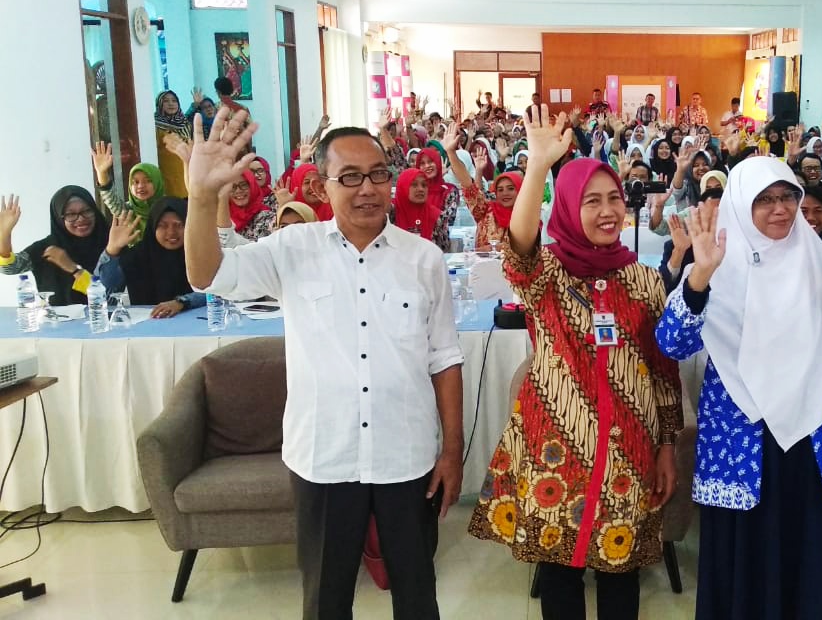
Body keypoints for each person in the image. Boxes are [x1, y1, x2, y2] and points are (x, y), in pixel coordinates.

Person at [185, 109, 465, 620]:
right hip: (324, 456)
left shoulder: (423, 259)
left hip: (406, 455)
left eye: (378, 174)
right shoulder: (292, 249)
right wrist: (202, 199)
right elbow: (208, 274)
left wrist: (453, 448)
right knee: (326, 598)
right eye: (350, 177)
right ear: (322, 184)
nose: (368, 189)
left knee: (417, 594)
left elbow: (444, 358)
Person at [468, 112, 681, 620]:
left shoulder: (644, 280)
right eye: (591, 201)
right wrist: (539, 164)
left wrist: (666, 445)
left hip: (631, 448)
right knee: (560, 573)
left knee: (620, 571)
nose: (608, 212)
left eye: (613, 199)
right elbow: (517, 248)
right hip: (556, 448)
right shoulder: (547, 276)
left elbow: (662, 370)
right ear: (566, 207)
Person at [655, 156, 822, 620]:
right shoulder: (716, 264)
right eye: (765, 200)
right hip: (742, 446)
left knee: (807, 562)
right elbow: (672, 343)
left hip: (811, 443)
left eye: (788, 196)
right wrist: (698, 277)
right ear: (740, 204)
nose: (780, 209)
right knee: (744, 571)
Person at [96, 199, 206, 319]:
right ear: (153, 227)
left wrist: (182, 302)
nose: (171, 232)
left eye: (179, 225)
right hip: (147, 327)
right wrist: (112, 250)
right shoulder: (139, 255)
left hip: (195, 325)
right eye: (162, 226)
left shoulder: (201, 254)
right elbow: (104, 290)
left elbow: (217, 292)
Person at [0, 188, 106, 305]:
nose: (81, 218)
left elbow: (108, 294)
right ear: (58, 218)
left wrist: (73, 268)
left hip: (100, 318)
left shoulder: (109, 244)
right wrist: (5, 233)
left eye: (87, 211)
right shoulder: (46, 248)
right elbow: (10, 268)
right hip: (55, 320)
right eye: (71, 214)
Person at [442, 125, 522, 253]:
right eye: (500, 190)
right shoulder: (486, 211)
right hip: (483, 270)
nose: (505, 193)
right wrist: (451, 153)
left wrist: (494, 249)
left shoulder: (527, 215)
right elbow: (469, 186)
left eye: (511, 188)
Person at [91, 142, 167, 243]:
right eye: (135, 182)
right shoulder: (128, 212)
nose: (140, 186)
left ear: (158, 182)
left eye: (148, 180)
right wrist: (102, 173)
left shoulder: (169, 208)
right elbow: (110, 199)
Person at [660, 186, 723, 294]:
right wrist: (679, 251)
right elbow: (662, 287)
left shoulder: (741, 248)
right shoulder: (675, 246)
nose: (714, 221)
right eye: (710, 216)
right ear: (698, 216)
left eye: (719, 216)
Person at [155, 90, 191, 198]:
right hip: (168, 182)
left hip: (188, 180)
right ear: (159, 104)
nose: (171, 103)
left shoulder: (186, 124)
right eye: (166, 101)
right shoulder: (155, 126)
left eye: (174, 101)